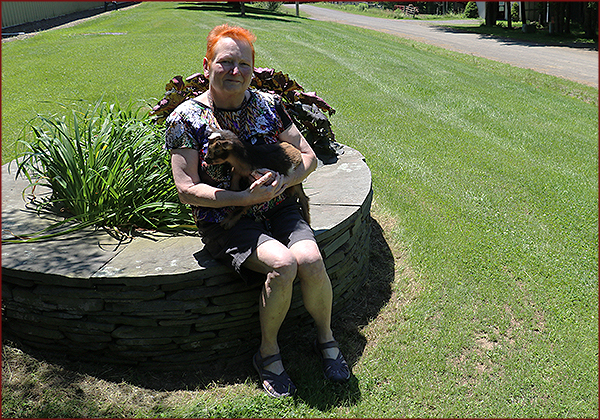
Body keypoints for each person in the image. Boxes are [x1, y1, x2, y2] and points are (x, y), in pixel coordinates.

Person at [164, 24, 350, 398]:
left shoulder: (269, 105)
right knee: (283, 264)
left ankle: (326, 338)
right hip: (226, 220)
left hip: (280, 208)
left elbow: (308, 157)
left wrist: (285, 179)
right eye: (225, 62)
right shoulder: (186, 119)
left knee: (310, 259)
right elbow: (187, 190)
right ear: (207, 66)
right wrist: (243, 199)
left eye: (244, 64)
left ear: (253, 69)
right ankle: (268, 353)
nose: (235, 71)